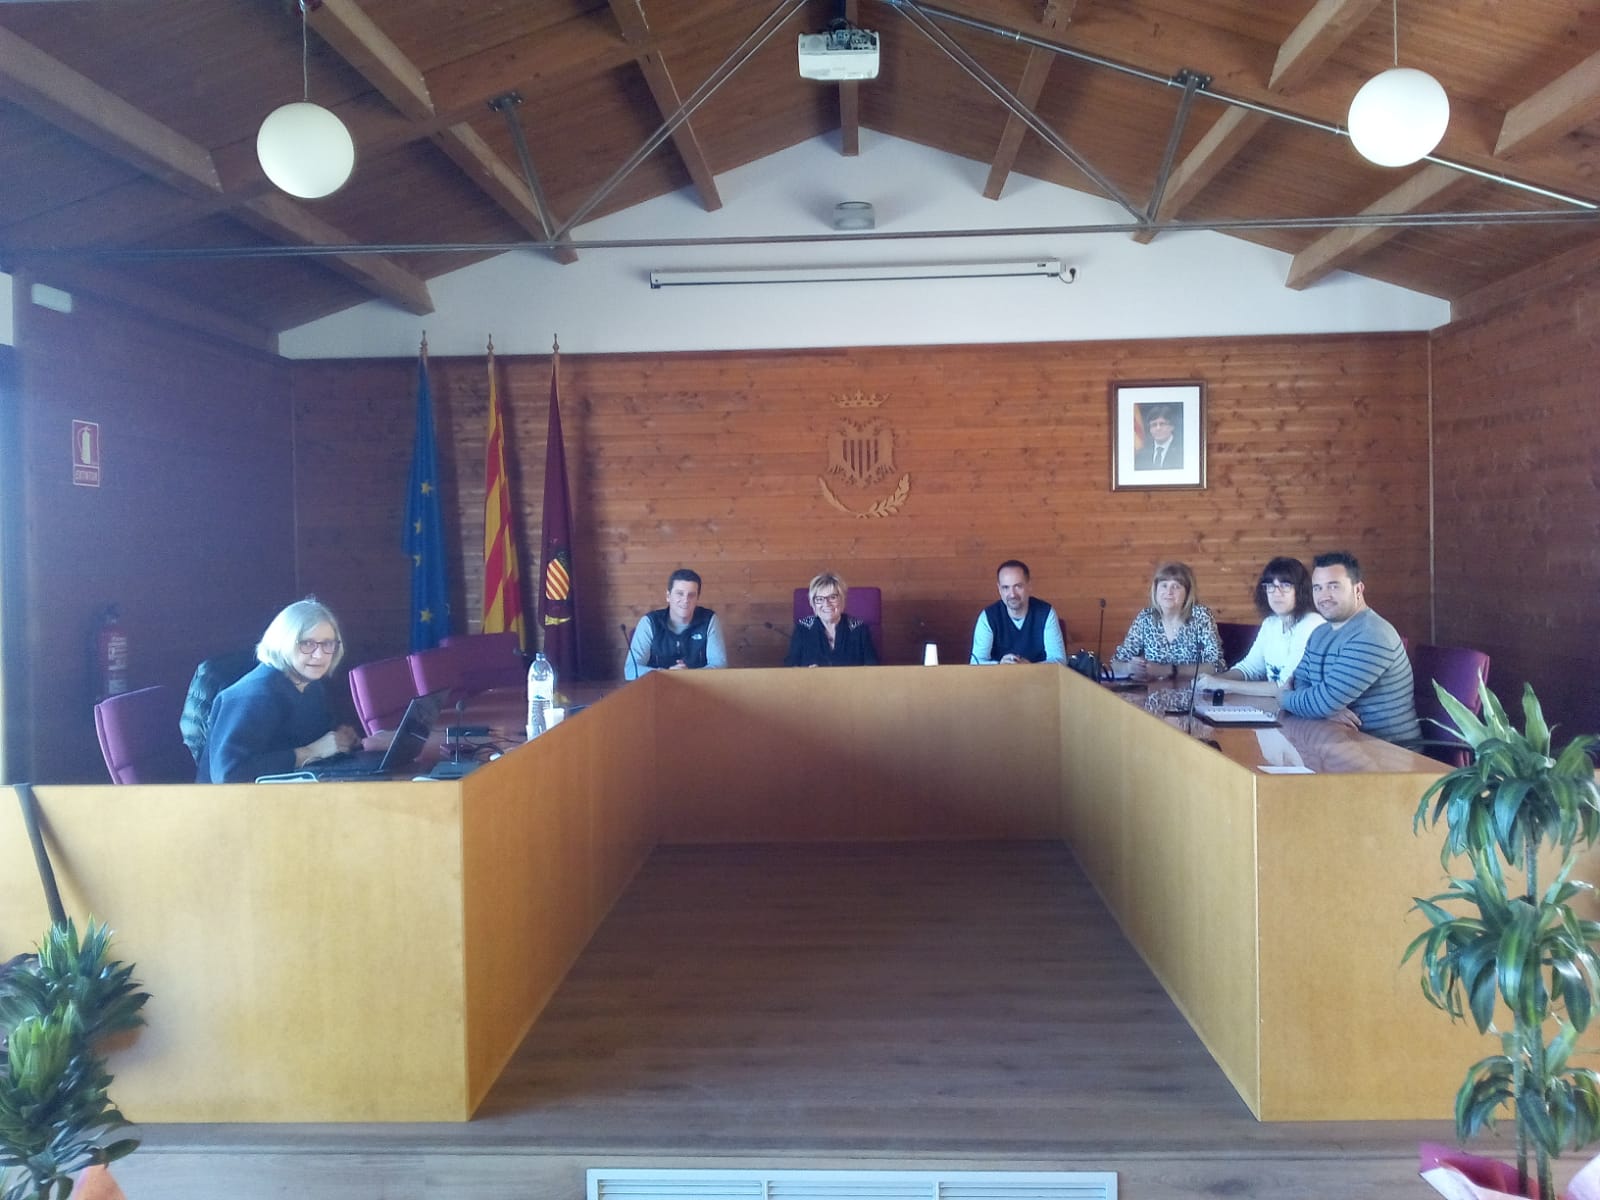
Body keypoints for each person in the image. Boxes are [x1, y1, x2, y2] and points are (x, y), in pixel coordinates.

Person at [203, 597, 362, 783]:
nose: (319, 655)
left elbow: (317, 742)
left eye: (327, 644)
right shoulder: (255, 696)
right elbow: (228, 775)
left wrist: (341, 739)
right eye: (307, 644)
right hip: (241, 801)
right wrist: (310, 752)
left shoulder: (311, 686)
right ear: (283, 642)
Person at [1279, 551, 1420, 746]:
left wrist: (1283, 698)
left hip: (1387, 750)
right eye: (1318, 588)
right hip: (1338, 741)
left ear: (1358, 589)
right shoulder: (1320, 633)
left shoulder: (1372, 634)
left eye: (1333, 586)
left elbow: (1321, 701)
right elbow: (1300, 681)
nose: (1324, 596)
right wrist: (1323, 709)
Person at [1197, 557, 1324, 699]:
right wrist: (1209, 681)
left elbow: (1285, 687)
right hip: (1277, 705)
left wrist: (1223, 684)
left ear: (1300, 590)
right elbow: (1249, 669)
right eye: (1270, 586)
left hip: (1305, 710)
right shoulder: (1270, 623)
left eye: (1285, 585)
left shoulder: (1312, 624)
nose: (1276, 593)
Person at [1111, 561, 1224, 680]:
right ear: (1156, 590)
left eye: (1176, 586)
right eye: (1164, 585)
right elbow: (1116, 662)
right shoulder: (1146, 617)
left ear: (1187, 593)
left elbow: (1217, 665)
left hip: (1192, 690)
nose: (1169, 592)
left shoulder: (1200, 616)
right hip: (1153, 690)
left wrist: (1168, 670)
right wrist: (1130, 668)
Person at [624, 568, 728, 679]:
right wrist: (667, 674)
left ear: (697, 598)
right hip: (657, 686)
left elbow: (720, 666)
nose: (685, 600)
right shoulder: (649, 622)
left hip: (698, 686)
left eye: (691, 595)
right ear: (668, 596)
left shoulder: (709, 620)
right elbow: (630, 670)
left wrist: (689, 675)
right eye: (680, 594)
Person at [970, 559, 1067, 665]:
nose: (1012, 594)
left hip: (1039, 675)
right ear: (999, 589)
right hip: (1000, 675)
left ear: (1029, 586)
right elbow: (975, 663)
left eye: (1018, 586)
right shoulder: (988, 617)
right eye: (1006, 587)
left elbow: (1060, 661)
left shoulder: (1046, 613)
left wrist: (1030, 667)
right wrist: (999, 666)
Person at [785, 572, 878, 667]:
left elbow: (872, 667)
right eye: (819, 599)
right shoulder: (802, 629)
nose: (826, 604)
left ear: (842, 600)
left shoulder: (859, 629)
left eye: (832, 597)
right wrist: (806, 672)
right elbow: (791, 666)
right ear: (813, 603)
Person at [1134, 405, 1183, 471]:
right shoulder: (1142, 454)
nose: (1158, 428)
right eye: (1154, 425)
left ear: (1172, 427)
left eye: (1162, 424)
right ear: (1150, 429)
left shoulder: (1182, 451)